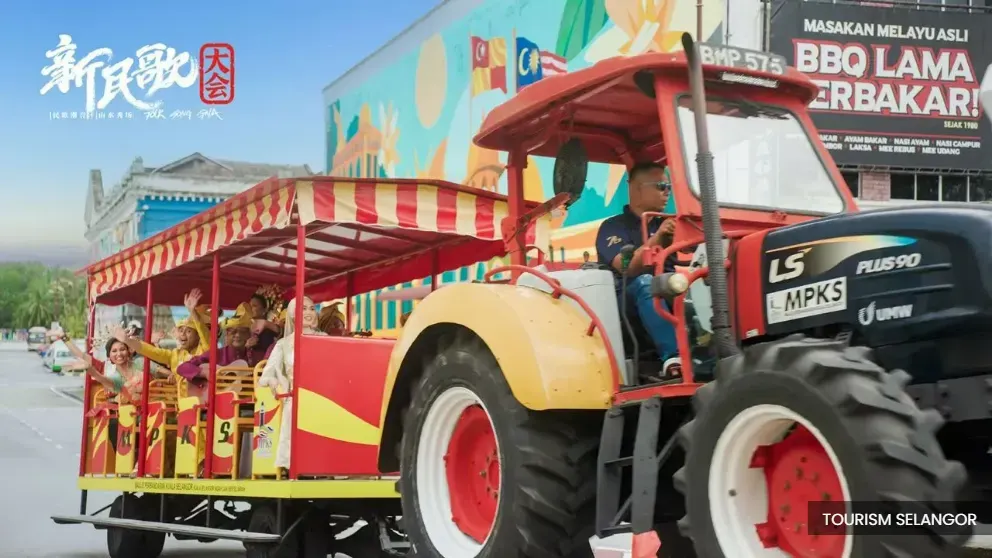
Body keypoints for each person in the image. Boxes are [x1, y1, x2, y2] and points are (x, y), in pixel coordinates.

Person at [595, 162, 680, 374]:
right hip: (626, 300)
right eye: (661, 186)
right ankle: (675, 358)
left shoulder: (670, 224)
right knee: (646, 283)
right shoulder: (612, 227)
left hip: (669, 288)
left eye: (669, 187)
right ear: (636, 189)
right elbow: (628, 268)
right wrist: (659, 237)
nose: (667, 192)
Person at [258, 296, 325, 470]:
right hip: (296, 396)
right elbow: (264, 377)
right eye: (304, 309)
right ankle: (299, 464)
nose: (309, 313)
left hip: (323, 396)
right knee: (295, 406)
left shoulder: (325, 339)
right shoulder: (284, 344)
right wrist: (274, 380)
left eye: (312, 308)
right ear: (293, 315)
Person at [175, 303, 256, 401]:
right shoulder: (216, 354)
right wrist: (203, 372)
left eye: (242, 332)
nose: (238, 335)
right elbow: (182, 368)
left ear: (249, 335)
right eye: (233, 331)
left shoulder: (254, 356)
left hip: (247, 403)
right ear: (226, 334)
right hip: (214, 403)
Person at [247, 293, 282, 364]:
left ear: (264, 310)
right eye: (249, 306)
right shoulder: (247, 328)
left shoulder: (270, 330)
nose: (250, 308)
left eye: (254, 306)